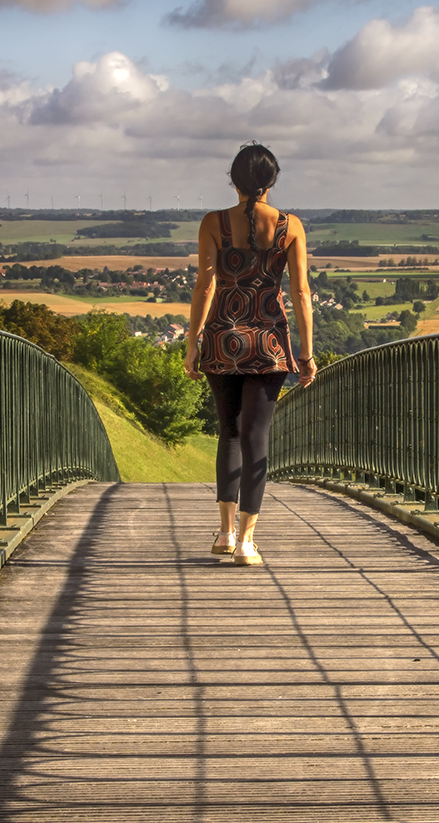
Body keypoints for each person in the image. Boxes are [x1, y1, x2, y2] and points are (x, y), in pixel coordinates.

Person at [184, 142, 315, 566]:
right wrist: (307, 354)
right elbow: (300, 292)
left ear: (233, 180)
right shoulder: (289, 225)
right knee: (257, 436)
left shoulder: (213, 223)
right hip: (269, 342)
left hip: (223, 337)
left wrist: (193, 343)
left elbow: (205, 286)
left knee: (230, 433)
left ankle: (223, 532)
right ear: (271, 181)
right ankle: (246, 541)